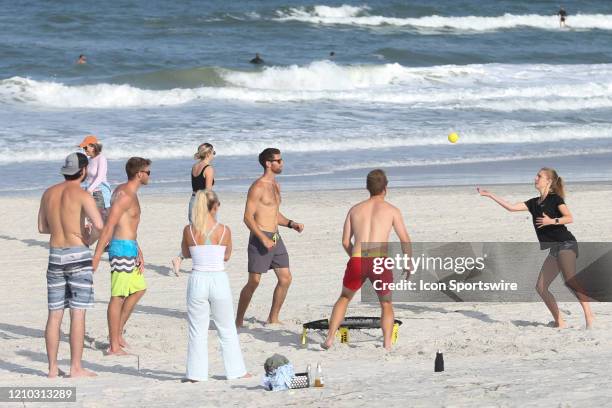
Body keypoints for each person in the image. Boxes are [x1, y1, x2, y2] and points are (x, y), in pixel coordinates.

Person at [478, 167, 594, 328]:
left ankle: (589, 317)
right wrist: (490, 195)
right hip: (555, 249)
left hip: (566, 244)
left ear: (549, 181)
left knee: (570, 280)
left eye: (539, 176)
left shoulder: (556, 199)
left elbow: (569, 218)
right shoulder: (533, 203)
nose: (535, 178)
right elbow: (511, 207)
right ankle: (560, 321)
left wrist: (551, 221)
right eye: (536, 176)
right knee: (541, 287)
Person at [322, 170, 411, 350]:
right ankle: (386, 344)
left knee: (344, 298)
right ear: (386, 188)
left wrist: (356, 258)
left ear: (367, 188)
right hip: (379, 260)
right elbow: (405, 240)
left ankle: (330, 338)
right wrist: (408, 261)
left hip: (358, 259)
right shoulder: (392, 210)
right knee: (386, 303)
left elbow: (345, 241)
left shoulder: (355, 209)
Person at [38, 152, 103, 377]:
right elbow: (99, 225)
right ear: (83, 171)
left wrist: (60, 229)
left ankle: (52, 369)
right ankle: (76, 367)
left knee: (54, 315)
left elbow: (41, 227)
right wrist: (87, 239)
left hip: (55, 255)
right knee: (78, 313)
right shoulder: (84, 195)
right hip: (78, 255)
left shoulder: (48, 193)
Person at [181, 190, 251, 381]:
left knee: (197, 329)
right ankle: (237, 371)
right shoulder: (224, 230)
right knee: (226, 327)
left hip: (198, 278)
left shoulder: (189, 230)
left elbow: (185, 252)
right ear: (215, 206)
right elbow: (227, 255)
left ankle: (196, 373)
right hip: (218, 278)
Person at [235, 148, 304, 327]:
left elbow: (273, 214)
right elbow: (247, 217)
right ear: (268, 163)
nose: (282, 163)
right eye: (278, 161)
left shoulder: (276, 185)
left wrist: (291, 223)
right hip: (260, 238)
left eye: (281, 160)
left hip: (275, 238)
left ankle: (273, 318)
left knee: (285, 278)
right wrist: (262, 238)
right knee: (254, 281)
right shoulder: (257, 187)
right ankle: (238, 320)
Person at [93, 157, 151, 355]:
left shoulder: (127, 191)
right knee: (118, 297)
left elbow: (127, 226)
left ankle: (116, 334)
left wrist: (138, 249)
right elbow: (110, 225)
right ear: (139, 174)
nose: (149, 176)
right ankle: (113, 346)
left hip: (130, 247)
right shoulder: (125, 195)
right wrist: (96, 256)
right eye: (148, 172)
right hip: (121, 249)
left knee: (138, 290)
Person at [171, 143, 215, 276]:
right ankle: (195, 262)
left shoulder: (195, 167)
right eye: (213, 152)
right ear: (208, 153)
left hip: (193, 200)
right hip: (202, 201)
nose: (214, 155)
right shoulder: (208, 169)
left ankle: (180, 258)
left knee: (195, 234)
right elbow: (208, 191)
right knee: (205, 233)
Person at [79, 135, 111, 221]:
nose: (84, 150)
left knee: (98, 219)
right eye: (83, 148)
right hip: (89, 191)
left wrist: (89, 190)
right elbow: (86, 177)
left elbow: (100, 177)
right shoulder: (89, 159)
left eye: (86, 148)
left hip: (99, 192)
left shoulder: (101, 158)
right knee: (88, 218)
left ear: (93, 147)